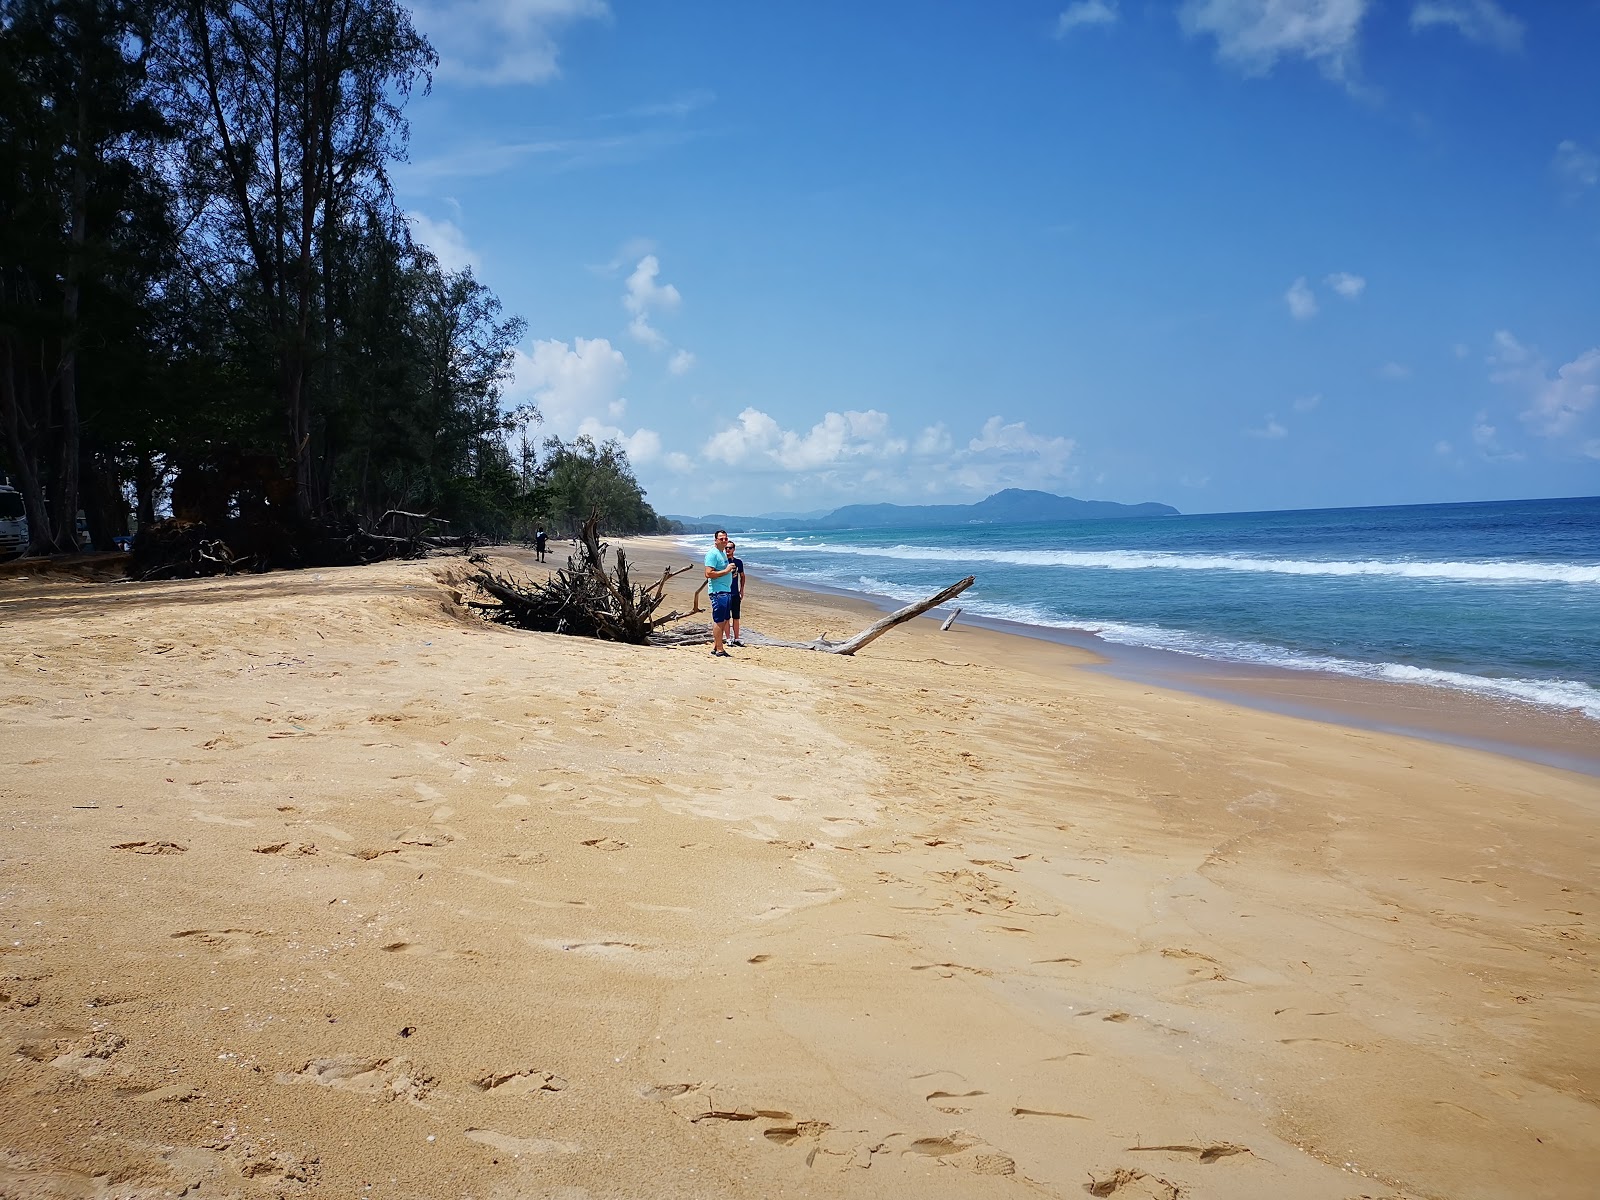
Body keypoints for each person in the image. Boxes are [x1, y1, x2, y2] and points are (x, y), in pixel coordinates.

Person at [703, 529, 737, 657]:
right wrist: (727, 570)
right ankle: (720, 649)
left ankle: (716, 646)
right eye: (721, 539)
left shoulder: (722, 553)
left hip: (726, 590)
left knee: (723, 620)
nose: (724, 541)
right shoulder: (713, 554)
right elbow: (708, 573)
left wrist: (729, 573)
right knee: (718, 620)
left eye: (725, 539)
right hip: (718, 592)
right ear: (716, 540)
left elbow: (722, 570)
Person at [726, 540, 747, 647]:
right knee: (726, 617)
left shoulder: (738, 562)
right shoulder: (722, 561)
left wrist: (741, 589)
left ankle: (737, 638)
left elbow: (742, 576)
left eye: (730, 548)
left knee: (736, 616)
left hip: (735, 593)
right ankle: (728, 638)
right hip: (725, 592)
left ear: (734, 549)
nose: (728, 550)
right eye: (726, 548)